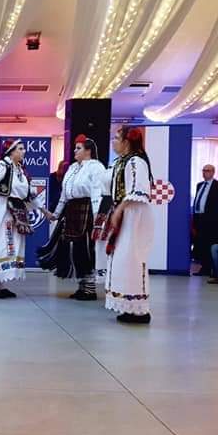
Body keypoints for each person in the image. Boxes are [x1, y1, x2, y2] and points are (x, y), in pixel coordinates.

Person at [0, 139, 47, 298]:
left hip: (16, 211)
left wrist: (44, 211)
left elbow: (29, 194)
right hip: (0, 209)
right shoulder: (2, 166)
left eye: (23, 148)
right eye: (20, 149)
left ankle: (1, 283)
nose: (24, 151)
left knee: (11, 245)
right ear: (11, 152)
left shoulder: (20, 170)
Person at [38, 135, 104, 300]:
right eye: (75, 148)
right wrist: (56, 214)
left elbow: (97, 193)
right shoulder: (73, 167)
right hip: (72, 210)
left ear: (88, 151)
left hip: (87, 211)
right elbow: (64, 195)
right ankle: (82, 287)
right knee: (75, 249)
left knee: (86, 248)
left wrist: (97, 218)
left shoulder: (96, 167)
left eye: (78, 148)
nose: (75, 151)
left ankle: (90, 289)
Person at [104, 127, 155, 324]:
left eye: (117, 138)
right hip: (126, 213)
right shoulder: (121, 162)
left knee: (132, 258)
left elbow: (138, 190)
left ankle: (139, 310)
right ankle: (128, 305)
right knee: (122, 259)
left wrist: (119, 210)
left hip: (134, 215)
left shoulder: (136, 161)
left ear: (126, 142)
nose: (113, 141)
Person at [191, 164, 218, 277]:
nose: (204, 173)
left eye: (207, 170)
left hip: (212, 220)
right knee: (201, 243)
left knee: (210, 244)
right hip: (199, 218)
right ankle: (204, 267)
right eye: (203, 170)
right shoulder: (199, 185)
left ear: (213, 172)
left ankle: (212, 268)